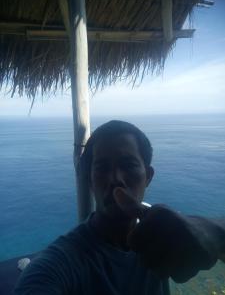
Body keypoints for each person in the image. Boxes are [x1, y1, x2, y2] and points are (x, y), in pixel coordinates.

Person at [15, 120, 225, 295]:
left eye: (128, 165)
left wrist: (214, 230)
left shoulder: (163, 236)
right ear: (89, 181)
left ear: (148, 177)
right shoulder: (63, 261)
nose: (115, 179)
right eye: (102, 168)